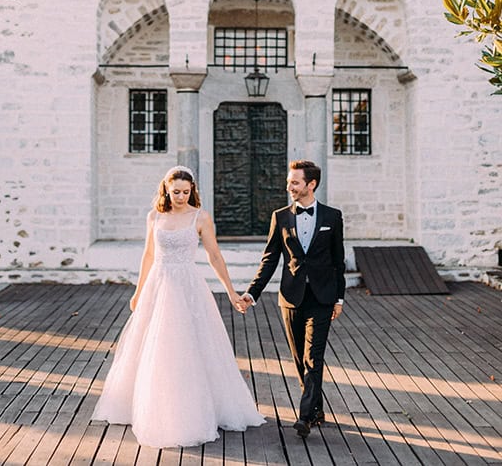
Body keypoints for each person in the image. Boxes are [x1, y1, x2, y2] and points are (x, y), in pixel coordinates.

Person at [90, 166, 265, 449]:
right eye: (176, 192)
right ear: (166, 190)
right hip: (158, 285)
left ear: (192, 191)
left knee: (189, 344)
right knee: (152, 345)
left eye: (186, 192)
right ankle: (150, 406)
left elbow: (214, 255)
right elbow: (148, 255)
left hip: (187, 285)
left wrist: (232, 291)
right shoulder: (154, 216)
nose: (181, 197)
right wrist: (138, 290)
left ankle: (195, 408)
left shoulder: (200, 217)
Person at [241, 160, 345, 439]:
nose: (289, 187)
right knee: (300, 358)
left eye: (295, 182)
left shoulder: (333, 217)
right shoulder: (281, 216)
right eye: (289, 182)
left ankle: (305, 416)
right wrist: (252, 293)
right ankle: (317, 410)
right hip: (291, 298)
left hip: (322, 298)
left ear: (311, 184)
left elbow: (338, 261)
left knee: (314, 357)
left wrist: (339, 298)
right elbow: (270, 258)